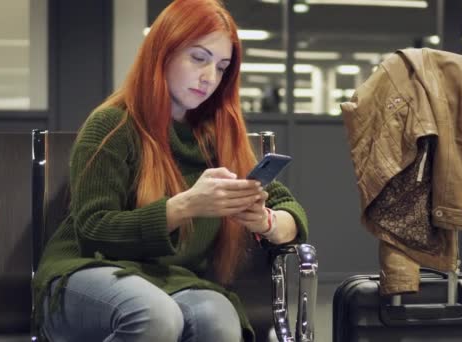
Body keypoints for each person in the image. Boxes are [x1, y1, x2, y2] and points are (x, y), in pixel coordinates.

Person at [31, 0, 308, 341]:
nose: (209, 77)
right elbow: (94, 230)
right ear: (164, 51)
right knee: (154, 315)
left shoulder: (216, 136)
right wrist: (185, 206)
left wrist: (266, 221)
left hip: (171, 279)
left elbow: (288, 209)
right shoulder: (114, 124)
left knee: (218, 321)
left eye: (221, 67)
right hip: (87, 271)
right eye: (199, 58)